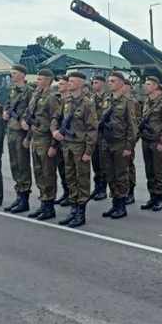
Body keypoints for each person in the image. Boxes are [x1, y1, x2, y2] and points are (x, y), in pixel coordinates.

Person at [52, 71, 98, 228]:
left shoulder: (87, 103)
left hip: (80, 146)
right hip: (67, 145)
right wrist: (55, 131)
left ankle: (80, 213)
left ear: (80, 83)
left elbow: (92, 129)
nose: (68, 83)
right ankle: (73, 209)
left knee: (82, 180)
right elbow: (56, 119)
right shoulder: (67, 101)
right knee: (70, 178)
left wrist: (88, 151)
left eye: (72, 81)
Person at [99, 71, 138, 220]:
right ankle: (115, 203)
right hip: (107, 143)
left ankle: (121, 206)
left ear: (122, 83)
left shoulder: (127, 102)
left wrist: (129, 147)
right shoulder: (107, 100)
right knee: (110, 174)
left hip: (120, 144)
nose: (110, 83)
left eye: (113, 81)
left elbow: (132, 127)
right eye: (109, 80)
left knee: (121, 175)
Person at [24, 69, 62, 221]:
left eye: (40, 79)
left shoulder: (52, 98)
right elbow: (31, 116)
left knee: (48, 174)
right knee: (39, 172)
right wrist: (28, 137)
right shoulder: (36, 95)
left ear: (48, 80)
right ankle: (43, 202)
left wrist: (54, 145)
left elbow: (55, 121)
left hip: (46, 139)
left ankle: (49, 206)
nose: (37, 81)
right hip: (36, 138)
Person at [139, 76, 162, 212]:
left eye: (148, 84)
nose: (145, 86)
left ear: (155, 86)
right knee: (149, 170)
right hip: (146, 139)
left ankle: (159, 199)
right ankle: (152, 197)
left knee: (157, 170)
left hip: (156, 141)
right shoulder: (147, 101)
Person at [4, 65, 34, 213]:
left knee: (23, 165)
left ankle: (24, 198)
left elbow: (31, 112)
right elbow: (8, 105)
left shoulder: (29, 92)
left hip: (21, 132)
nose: (12, 76)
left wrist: (28, 136)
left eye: (14, 73)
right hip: (11, 130)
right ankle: (19, 194)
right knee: (14, 164)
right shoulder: (13, 90)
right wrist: (5, 112)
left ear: (22, 74)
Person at [53, 75, 72, 205]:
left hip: (69, 140)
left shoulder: (72, 101)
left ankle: (71, 195)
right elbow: (55, 119)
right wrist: (55, 132)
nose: (58, 86)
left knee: (69, 170)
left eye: (61, 84)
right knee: (62, 169)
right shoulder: (59, 100)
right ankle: (66, 193)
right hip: (58, 140)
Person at [90, 75, 109, 200]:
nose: (93, 85)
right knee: (95, 162)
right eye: (93, 82)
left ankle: (102, 189)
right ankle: (97, 187)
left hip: (103, 135)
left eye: (96, 82)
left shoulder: (108, 98)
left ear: (102, 83)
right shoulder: (91, 98)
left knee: (103, 164)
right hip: (93, 136)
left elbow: (104, 116)